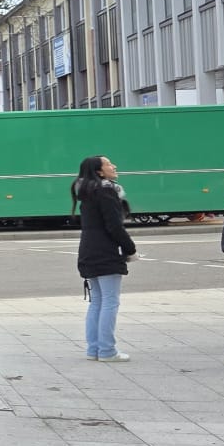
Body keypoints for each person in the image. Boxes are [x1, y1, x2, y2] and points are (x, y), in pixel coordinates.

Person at [74, 155, 134, 364]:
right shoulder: (106, 191)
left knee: (97, 301)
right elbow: (114, 226)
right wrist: (130, 248)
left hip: (88, 250)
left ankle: (94, 349)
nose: (114, 166)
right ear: (99, 171)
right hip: (106, 252)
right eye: (108, 164)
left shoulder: (87, 193)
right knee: (110, 301)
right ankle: (107, 350)